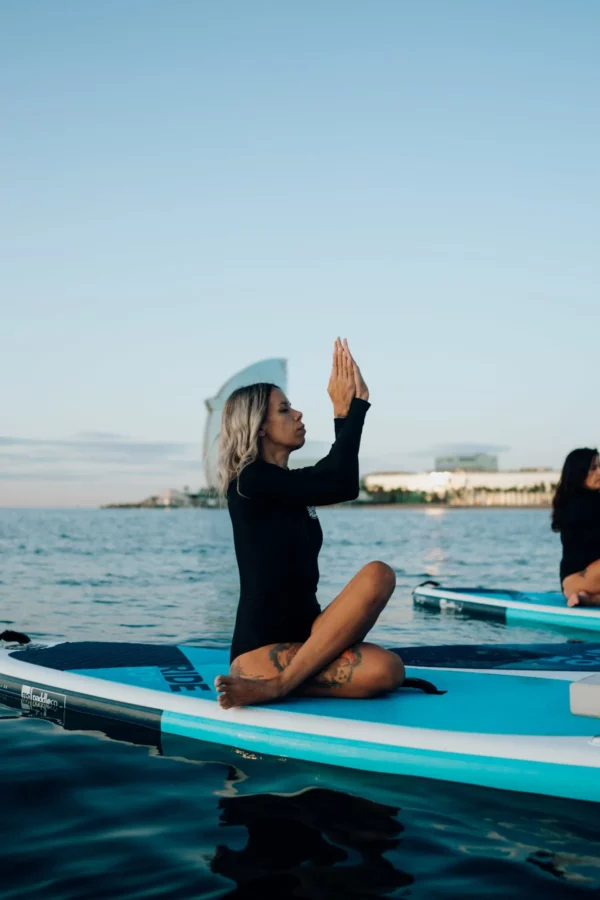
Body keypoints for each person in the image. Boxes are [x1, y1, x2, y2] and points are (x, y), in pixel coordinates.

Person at [214, 338, 404, 709]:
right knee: (385, 671)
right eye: (285, 410)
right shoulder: (249, 481)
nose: (298, 414)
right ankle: (277, 685)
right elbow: (340, 481)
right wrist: (353, 409)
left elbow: (334, 478)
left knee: (378, 575)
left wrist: (344, 412)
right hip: (259, 652)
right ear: (260, 427)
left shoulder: (286, 486)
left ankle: (291, 677)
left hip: (307, 639)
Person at [552, 448, 600, 607]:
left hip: (574, 584)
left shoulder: (574, 501)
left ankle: (588, 599)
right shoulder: (582, 504)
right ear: (579, 472)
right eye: (593, 468)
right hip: (581, 578)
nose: (599, 472)